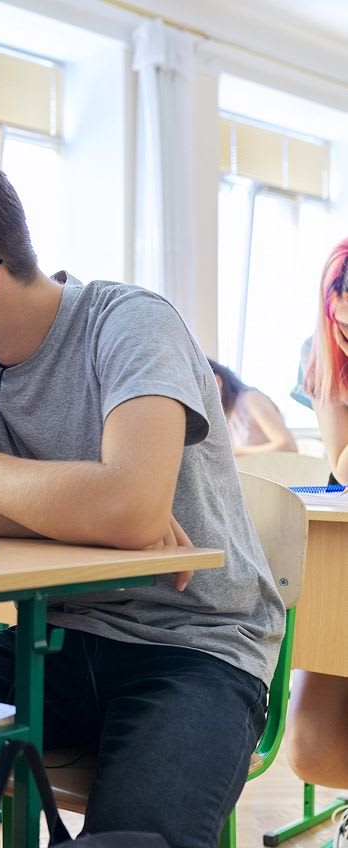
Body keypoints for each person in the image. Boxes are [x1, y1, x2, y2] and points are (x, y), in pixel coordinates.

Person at [0, 139, 285, 848]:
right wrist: (99, 518)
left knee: (139, 841)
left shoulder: (130, 323)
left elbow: (129, 508)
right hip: (52, 641)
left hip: (195, 647)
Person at [284, 237, 348, 846]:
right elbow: (344, 462)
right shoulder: (321, 355)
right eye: (340, 322)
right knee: (309, 746)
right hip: (340, 549)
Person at [206, 358, 297, 455]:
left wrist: (235, 453)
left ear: (217, 381)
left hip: (271, 469)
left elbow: (288, 446)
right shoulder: (224, 416)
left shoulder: (251, 399)